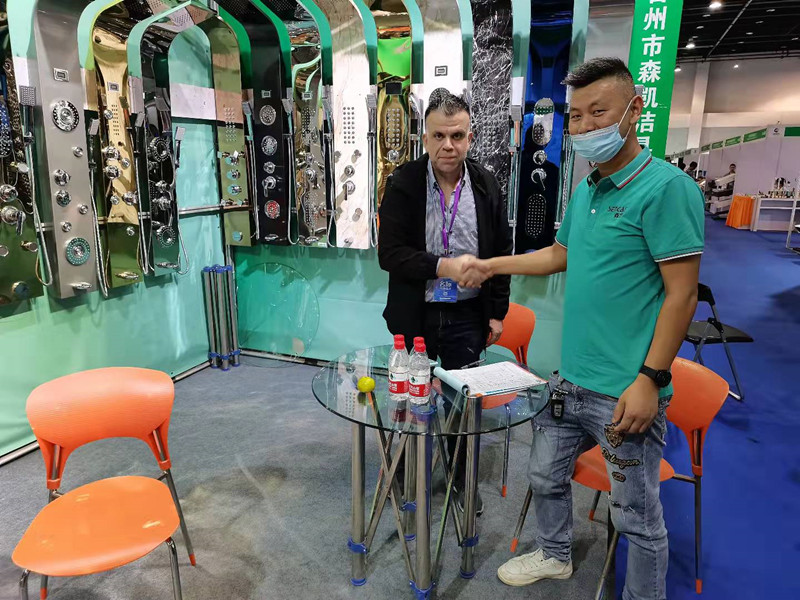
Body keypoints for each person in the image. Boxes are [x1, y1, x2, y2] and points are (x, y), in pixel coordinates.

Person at [459, 58, 704, 599]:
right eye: (576, 116)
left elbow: (682, 295)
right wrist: (490, 265)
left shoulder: (666, 189)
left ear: (634, 110)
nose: (586, 126)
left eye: (599, 112)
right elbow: (558, 255)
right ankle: (555, 554)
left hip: (625, 391)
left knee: (635, 516)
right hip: (570, 380)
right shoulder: (588, 188)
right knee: (545, 475)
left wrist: (650, 379)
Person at [378, 88, 513, 512]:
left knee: (461, 407)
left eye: (457, 136)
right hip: (414, 314)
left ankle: (460, 481)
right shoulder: (402, 183)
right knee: (407, 399)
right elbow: (390, 255)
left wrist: (497, 312)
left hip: (467, 316)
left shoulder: (487, 185)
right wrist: (443, 267)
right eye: (438, 136)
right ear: (425, 137)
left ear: (470, 137)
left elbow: (500, 253)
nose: (448, 145)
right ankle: (405, 472)